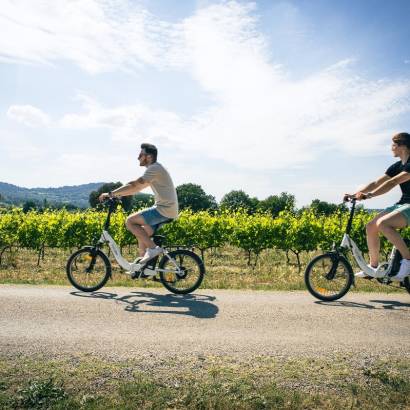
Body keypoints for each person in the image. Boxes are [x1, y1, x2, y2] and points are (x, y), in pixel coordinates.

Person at [99, 143, 178, 272]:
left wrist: (110, 194)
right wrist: (118, 195)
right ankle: (143, 269)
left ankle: (153, 249)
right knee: (142, 234)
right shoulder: (155, 170)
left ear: (149, 156)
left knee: (130, 221)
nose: (138, 157)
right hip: (167, 209)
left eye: (141, 154)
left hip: (164, 209)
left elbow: (134, 184)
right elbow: (135, 189)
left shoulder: (154, 169)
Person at [345, 132, 410, 281]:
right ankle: (372, 268)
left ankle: (408, 260)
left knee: (384, 224)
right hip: (403, 204)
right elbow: (376, 183)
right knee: (371, 226)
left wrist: (369, 196)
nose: (391, 148)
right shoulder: (397, 165)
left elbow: (392, 183)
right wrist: (356, 194)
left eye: (394, 144)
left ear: (403, 146)